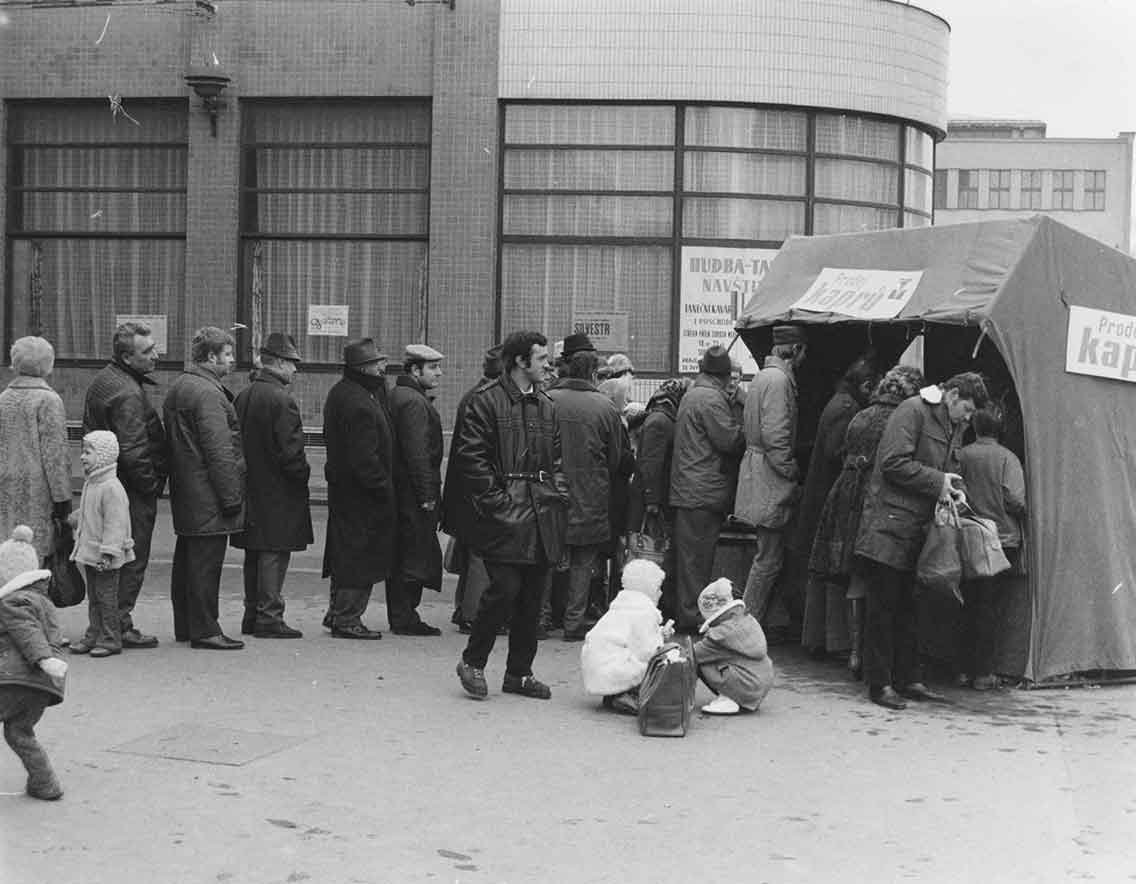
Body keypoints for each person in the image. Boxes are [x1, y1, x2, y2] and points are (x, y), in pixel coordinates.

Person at [855, 371, 989, 710]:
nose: (969, 419)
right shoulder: (912, 410)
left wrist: (953, 490)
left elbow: (943, 470)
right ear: (952, 394)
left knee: (909, 607)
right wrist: (939, 481)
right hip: (889, 525)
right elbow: (892, 464)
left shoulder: (951, 423)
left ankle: (907, 678)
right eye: (968, 410)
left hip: (918, 529)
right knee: (883, 607)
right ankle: (880, 683)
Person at [452, 330, 568, 701]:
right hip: (506, 512)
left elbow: (558, 460)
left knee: (533, 597)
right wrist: (497, 503)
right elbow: (471, 459)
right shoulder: (485, 402)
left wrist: (557, 495)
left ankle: (519, 672)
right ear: (521, 361)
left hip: (540, 510)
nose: (548, 365)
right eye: (542, 359)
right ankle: (473, 661)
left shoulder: (547, 405)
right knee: (503, 590)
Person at [809, 365, 925, 679]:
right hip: (874, 499)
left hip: (845, 493)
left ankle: (856, 652)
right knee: (876, 579)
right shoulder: (900, 420)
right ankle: (871, 658)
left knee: (852, 575)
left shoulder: (861, 415)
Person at [82, 321, 167, 650]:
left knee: (107, 557)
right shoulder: (128, 391)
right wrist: (151, 485)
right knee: (129, 556)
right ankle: (117, 623)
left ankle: (105, 624)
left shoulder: (107, 379)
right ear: (127, 357)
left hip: (107, 482)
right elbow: (134, 450)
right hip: (129, 490)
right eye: (147, 351)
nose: (155, 356)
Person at [545, 334, 634, 642]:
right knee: (584, 561)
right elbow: (615, 458)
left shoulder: (544, 399)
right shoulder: (605, 407)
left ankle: (541, 618)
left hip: (548, 492)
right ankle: (573, 622)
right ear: (594, 372)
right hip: (591, 494)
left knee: (548, 557)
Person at [164, 326, 247, 651]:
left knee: (187, 561)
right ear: (211, 357)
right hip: (208, 493)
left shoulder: (182, 386)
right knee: (205, 566)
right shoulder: (209, 394)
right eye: (227, 355)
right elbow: (219, 450)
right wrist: (231, 497)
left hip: (188, 488)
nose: (231, 362)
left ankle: (187, 624)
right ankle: (205, 629)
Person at [232, 333, 311, 640]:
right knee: (273, 553)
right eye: (292, 363)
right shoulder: (282, 400)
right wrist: (301, 476)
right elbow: (292, 454)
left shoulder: (245, 394)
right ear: (278, 362)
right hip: (279, 491)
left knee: (255, 552)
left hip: (252, 487)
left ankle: (252, 613)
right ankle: (269, 615)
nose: (295, 370)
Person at [798, 355, 877, 658]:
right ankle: (833, 642)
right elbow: (834, 451)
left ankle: (821, 639)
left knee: (823, 573)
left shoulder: (838, 401)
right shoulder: (848, 408)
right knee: (833, 573)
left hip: (822, 492)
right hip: (832, 493)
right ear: (865, 385)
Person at [321, 339, 396, 640]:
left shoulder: (343, 393)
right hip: (362, 496)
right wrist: (382, 487)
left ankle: (338, 611)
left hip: (346, 492)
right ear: (364, 367)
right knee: (359, 557)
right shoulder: (360, 401)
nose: (383, 367)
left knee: (345, 553)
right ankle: (347, 618)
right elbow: (364, 457)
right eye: (378, 362)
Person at [735, 325, 808, 627]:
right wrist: (792, 471)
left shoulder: (765, 377)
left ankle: (752, 622)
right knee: (768, 558)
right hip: (771, 477)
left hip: (759, 472)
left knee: (768, 555)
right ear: (795, 350)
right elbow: (776, 438)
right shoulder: (779, 382)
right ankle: (746, 624)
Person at [669, 345, 745, 633]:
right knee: (697, 560)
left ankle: (688, 613)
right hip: (702, 489)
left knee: (690, 559)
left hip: (690, 487)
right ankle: (692, 617)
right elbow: (729, 441)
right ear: (724, 376)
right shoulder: (711, 400)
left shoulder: (694, 394)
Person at [955, 404, 1026, 691]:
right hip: (1001, 540)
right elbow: (1014, 498)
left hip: (967, 535)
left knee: (967, 603)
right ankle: (983, 673)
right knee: (990, 607)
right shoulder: (1008, 458)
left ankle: (961, 670)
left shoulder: (962, 455)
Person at [0, 526, 68, 800]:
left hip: (14, 678)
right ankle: (45, 782)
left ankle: (45, 783)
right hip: (41, 686)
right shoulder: (43, 601)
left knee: (17, 730)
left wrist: (43, 658)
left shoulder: (13, 602)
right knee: (19, 732)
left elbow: (26, 631)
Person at [387, 344, 447, 636]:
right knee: (413, 554)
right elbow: (417, 453)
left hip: (403, 490)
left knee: (406, 553)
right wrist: (427, 495)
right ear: (414, 369)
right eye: (433, 368)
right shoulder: (412, 401)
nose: (439, 373)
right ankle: (405, 616)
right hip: (413, 493)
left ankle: (404, 614)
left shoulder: (403, 396)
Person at [443, 345, 502, 633]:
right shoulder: (487, 400)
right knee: (482, 553)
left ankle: (463, 609)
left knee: (472, 553)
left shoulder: (473, 396)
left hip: (465, 491)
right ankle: (473, 614)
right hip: (478, 492)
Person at [0, 336, 72, 563]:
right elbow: (55, 455)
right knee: (35, 553)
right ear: (48, 364)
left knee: (8, 550)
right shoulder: (49, 400)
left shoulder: (4, 399)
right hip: (38, 490)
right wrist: (63, 499)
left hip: (5, 485)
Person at [68, 431, 135, 658]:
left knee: (107, 599)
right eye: (82, 452)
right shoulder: (93, 483)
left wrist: (108, 553)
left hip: (105, 556)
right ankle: (94, 633)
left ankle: (110, 638)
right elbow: (92, 514)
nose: (82, 457)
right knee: (94, 597)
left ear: (104, 456)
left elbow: (115, 524)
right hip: (90, 553)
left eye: (88, 452)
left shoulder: (111, 487)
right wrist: (76, 518)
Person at [580, 558, 672, 715]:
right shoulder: (645, 612)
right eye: (658, 588)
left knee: (626, 655)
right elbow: (647, 650)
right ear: (649, 589)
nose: (661, 593)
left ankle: (614, 692)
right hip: (616, 670)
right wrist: (662, 641)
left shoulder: (622, 606)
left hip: (597, 668)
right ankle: (627, 694)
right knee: (659, 663)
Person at [692, 577, 774, 715]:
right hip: (760, 682)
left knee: (699, 662)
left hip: (746, 685)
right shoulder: (748, 620)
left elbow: (692, 653)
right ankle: (742, 698)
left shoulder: (719, 636)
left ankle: (730, 698)